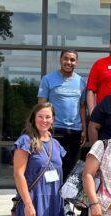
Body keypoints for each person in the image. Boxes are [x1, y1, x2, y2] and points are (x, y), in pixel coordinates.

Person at [37, 50, 86, 181]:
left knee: (71, 167)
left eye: (72, 60)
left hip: (75, 130)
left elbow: (82, 107)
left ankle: (64, 199)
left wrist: (84, 129)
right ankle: (53, 197)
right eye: (66, 59)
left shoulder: (81, 81)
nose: (69, 62)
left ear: (76, 62)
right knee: (53, 165)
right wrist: (43, 129)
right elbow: (42, 106)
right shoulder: (48, 79)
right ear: (60, 60)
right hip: (55, 129)